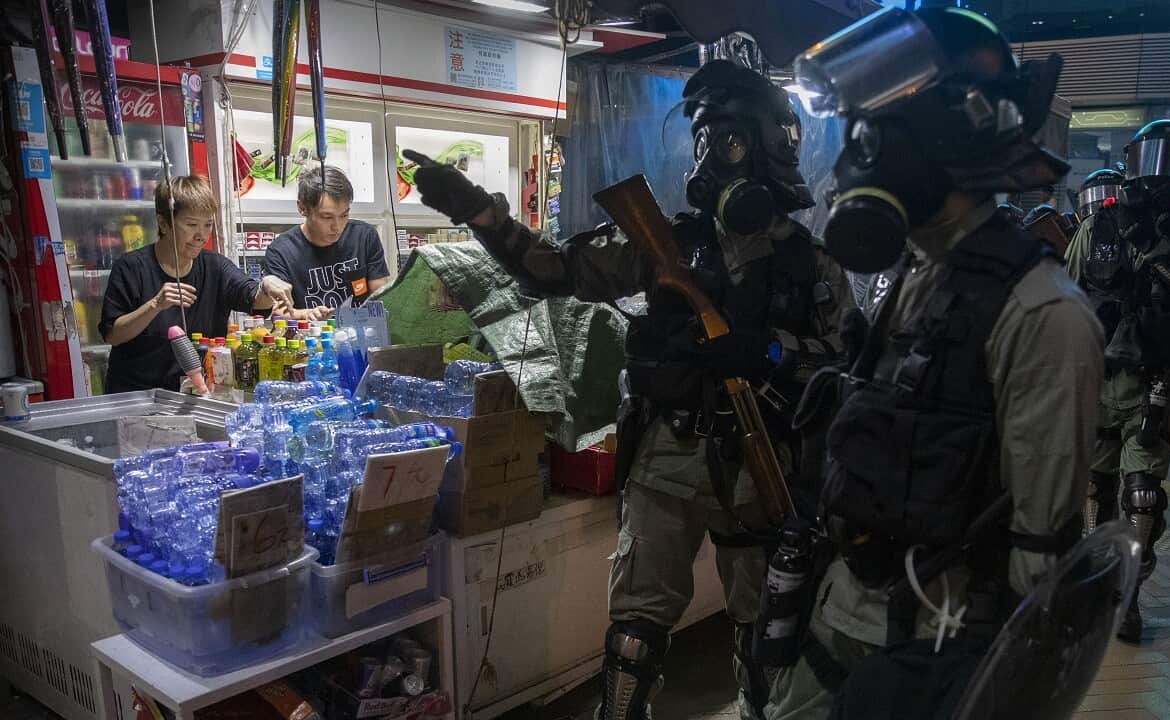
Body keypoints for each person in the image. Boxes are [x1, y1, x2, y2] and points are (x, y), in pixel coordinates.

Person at [410, 59, 850, 720]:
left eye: (730, 141)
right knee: (634, 639)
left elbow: (845, 362)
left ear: (769, 145)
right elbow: (549, 271)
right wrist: (475, 209)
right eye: (707, 142)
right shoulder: (663, 244)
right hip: (667, 459)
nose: (715, 158)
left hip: (762, 467)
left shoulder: (810, 262)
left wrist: (767, 351)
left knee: (768, 640)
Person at [767, 8, 1103, 718]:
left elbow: (1040, 559)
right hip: (841, 624)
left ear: (947, 134)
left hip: (928, 657)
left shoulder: (1044, 315)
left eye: (876, 134)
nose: (858, 156)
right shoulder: (922, 270)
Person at [1065, 118, 1170, 642]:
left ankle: (1126, 597)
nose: (1162, 175)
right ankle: (1092, 584)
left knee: (1141, 497)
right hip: (1101, 377)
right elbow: (1069, 299)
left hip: (1154, 383)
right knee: (1093, 490)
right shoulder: (1101, 226)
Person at [99, 175, 294, 392]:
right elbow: (113, 335)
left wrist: (268, 283)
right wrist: (155, 305)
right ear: (164, 223)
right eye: (191, 224)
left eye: (207, 225)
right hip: (138, 395)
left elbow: (254, 297)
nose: (201, 235)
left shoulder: (215, 267)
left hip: (195, 392)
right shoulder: (131, 268)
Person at [265, 166, 390, 320]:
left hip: (362, 334)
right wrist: (306, 314)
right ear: (302, 208)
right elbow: (278, 312)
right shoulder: (281, 251)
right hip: (310, 338)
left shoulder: (364, 237)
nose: (337, 227)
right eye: (326, 217)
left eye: (344, 215)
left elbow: (382, 296)